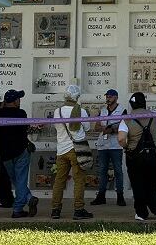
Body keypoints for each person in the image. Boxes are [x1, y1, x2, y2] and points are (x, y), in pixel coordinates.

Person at [118, 92, 156, 221]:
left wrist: (126, 147)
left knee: (137, 184)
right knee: (151, 183)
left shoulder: (126, 118)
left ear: (132, 105)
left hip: (134, 156)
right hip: (151, 155)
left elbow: (121, 139)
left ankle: (141, 213)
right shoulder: (154, 116)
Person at [51, 84, 93, 220]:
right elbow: (87, 128)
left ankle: (55, 210)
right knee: (79, 180)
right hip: (77, 150)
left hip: (61, 150)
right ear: (77, 97)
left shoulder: (57, 111)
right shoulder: (81, 111)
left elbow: (57, 128)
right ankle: (79, 210)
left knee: (59, 181)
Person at [0, 89, 39, 218]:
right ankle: (18, 209)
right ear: (15, 101)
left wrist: (3, 105)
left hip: (5, 153)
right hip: (21, 151)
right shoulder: (21, 113)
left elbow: (1, 112)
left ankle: (29, 198)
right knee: (21, 179)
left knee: (16, 179)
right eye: (18, 98)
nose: (19, 101)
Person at [90, 89, 127, 206]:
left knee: (118, 171)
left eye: (110, 97)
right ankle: (101, 196)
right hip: (103, 145)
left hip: (116, 145)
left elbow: (125, 126)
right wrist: (104, 129)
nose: (108, 99)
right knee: (102, 171)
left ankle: (120, 196)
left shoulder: (122, 110)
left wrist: (112, 129)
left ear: (116, 97)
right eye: (107, 96)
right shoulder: (103, 110)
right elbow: (96, 127)